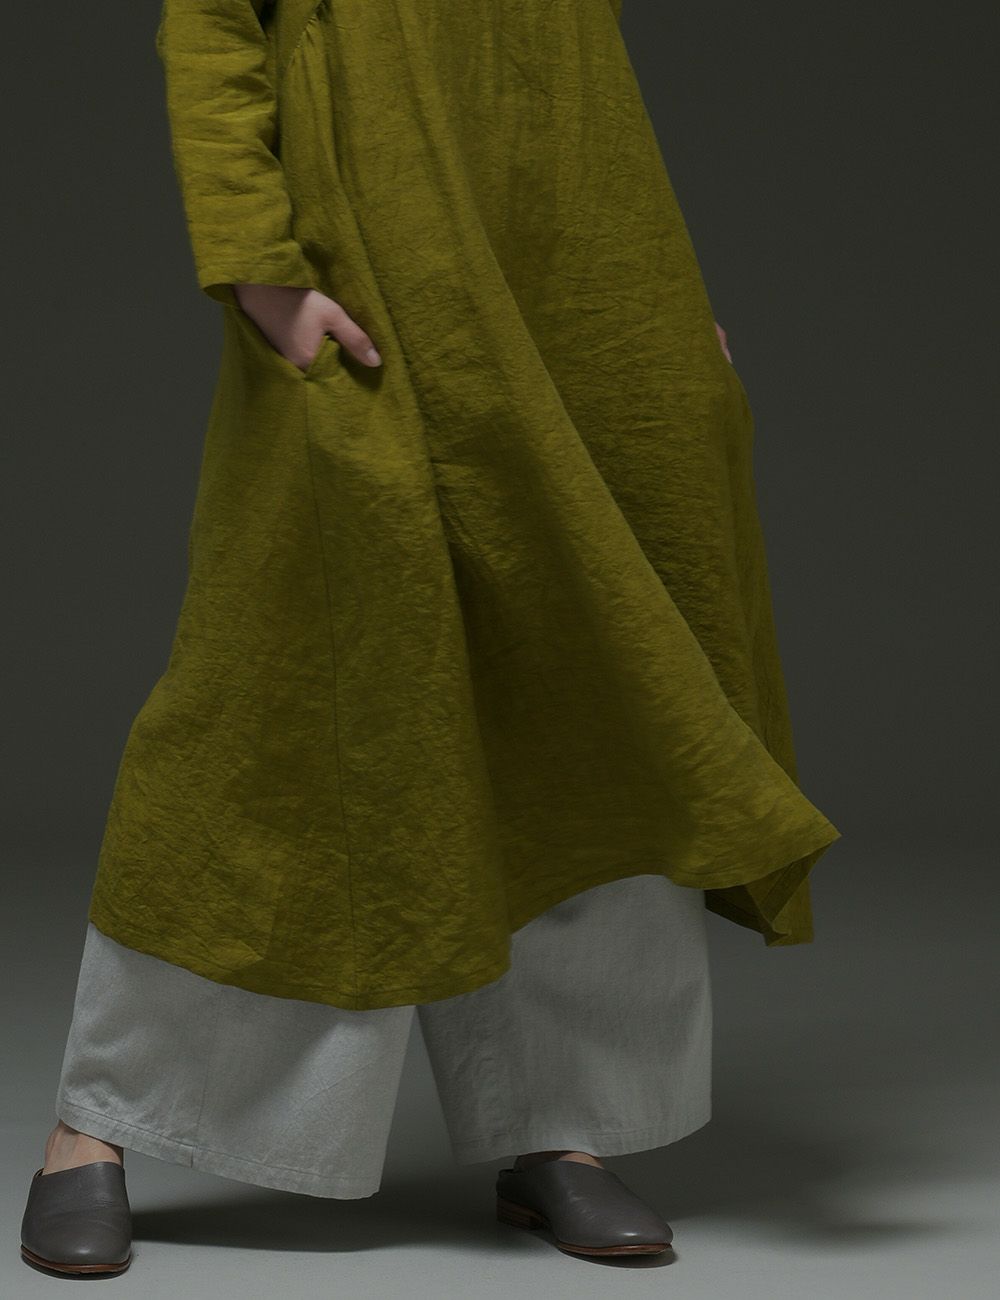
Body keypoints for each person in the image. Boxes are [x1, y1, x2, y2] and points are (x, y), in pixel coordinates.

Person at [20, 0, 841, 1277]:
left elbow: (570, 63)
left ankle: (558, 1127)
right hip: (365, 273)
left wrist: (654, 293)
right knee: (286, 697)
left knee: (587, 692)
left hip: (572, 279)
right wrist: (259, 267)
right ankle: (104, 1119)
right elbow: (212, 28)